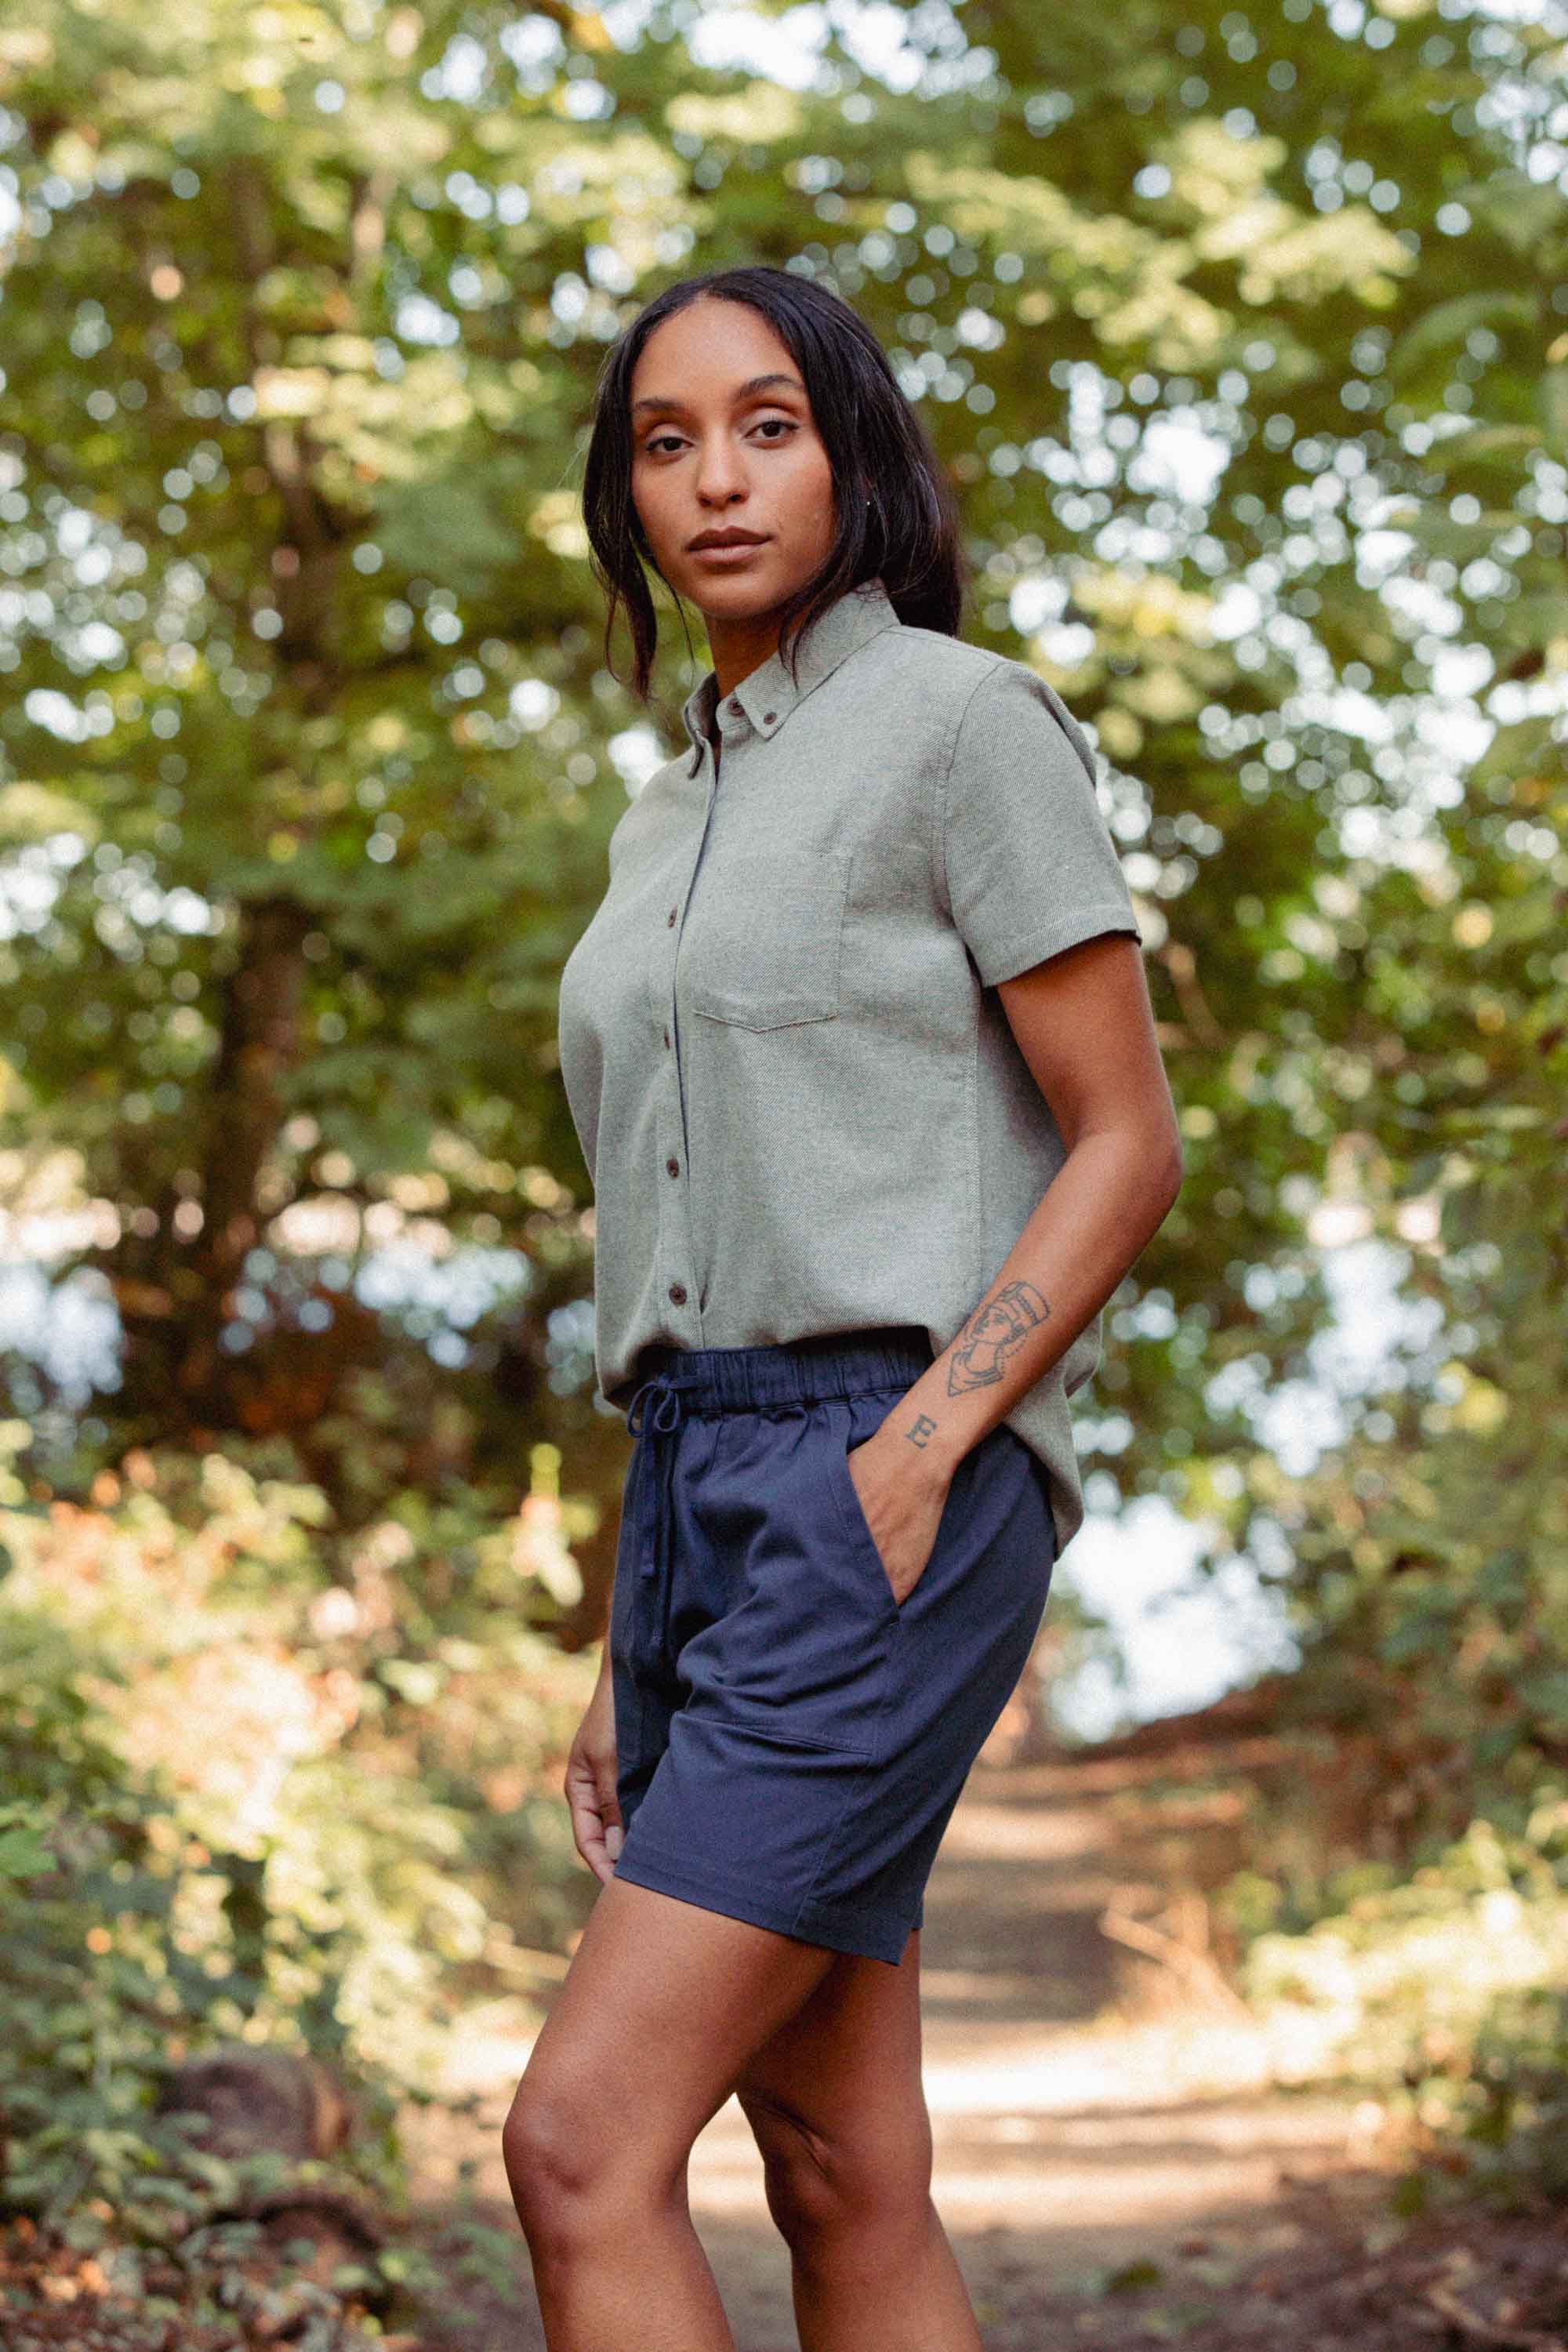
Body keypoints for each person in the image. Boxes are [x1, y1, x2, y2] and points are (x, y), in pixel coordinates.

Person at [503, 263, 1183, 2352]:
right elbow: (674, 1252)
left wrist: (925, 1440)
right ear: (625, 495)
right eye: (665, 437)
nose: (716, 476)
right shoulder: (664, 818)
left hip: (886, 1476)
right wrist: (638, 1632)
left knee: (581, 2146)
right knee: (838, 2169)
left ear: (854, 452)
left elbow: (1126, 1137)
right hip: (699, 1486)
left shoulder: (959, 727)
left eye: (770, 423)